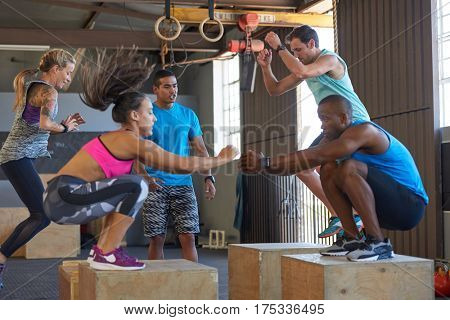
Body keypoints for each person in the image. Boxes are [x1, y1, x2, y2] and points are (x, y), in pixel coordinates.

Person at [42, 48, 238, 271]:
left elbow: (184, 162)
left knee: (131, 187)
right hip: (64, 198)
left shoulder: (126, 139)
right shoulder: (130, 141)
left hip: (62, 199)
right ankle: (105, 253)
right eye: (149, 113)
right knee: (136, 186)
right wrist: (222, 158)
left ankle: (104, 250)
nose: (154, 117)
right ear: (135, 116)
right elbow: (182, 164)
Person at [240, 95, 428, 261]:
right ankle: (352, 238)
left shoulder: (365, 131)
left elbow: (317, 154)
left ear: (344, 118)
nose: (322, 125)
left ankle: (378, 243)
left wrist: (265, 162)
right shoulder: (331, 138)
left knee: (348, 167)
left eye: (325, 119)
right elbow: (300, 165)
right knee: (328, 168)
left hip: (410, 206)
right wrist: (262, 168)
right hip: (384, 207)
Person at [257, 25, 369, 238]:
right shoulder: (306, 67)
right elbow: (275, 89)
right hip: (333, 127)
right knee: (304, 170)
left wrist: (280, 47)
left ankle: (352, 219)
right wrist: (265, 67)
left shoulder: (330, 61)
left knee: (320, 170)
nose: (296, 55)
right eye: (293, 50)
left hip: (355, 123)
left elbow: (301, 71)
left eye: (298, 50)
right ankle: (344, 219)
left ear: (312, 44)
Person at [0, 49, 85, 288]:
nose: (69, 78)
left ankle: (1, 256)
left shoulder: (37, 86)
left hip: (18, 157)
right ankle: (1, 257)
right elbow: (44, 123)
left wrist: (63, 125)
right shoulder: (48, 91)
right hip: (17, 157)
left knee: (40, 214)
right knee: (42, 215)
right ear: (55, 70)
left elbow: (36, 123)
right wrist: (65, 129)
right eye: (67, 73)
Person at [136, 69, 215, 263]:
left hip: (183, 184)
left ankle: (194, 287)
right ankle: (157, 288)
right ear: (155, 89)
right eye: (167, 86)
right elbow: (134, 154)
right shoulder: (147, 115)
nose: (173, 90)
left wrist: (208, 177)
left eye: (175, 85)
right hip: (156, 185)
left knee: (188, 237)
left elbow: (201, 150)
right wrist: (146, 179)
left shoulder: (188, 115)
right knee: (157, 239)